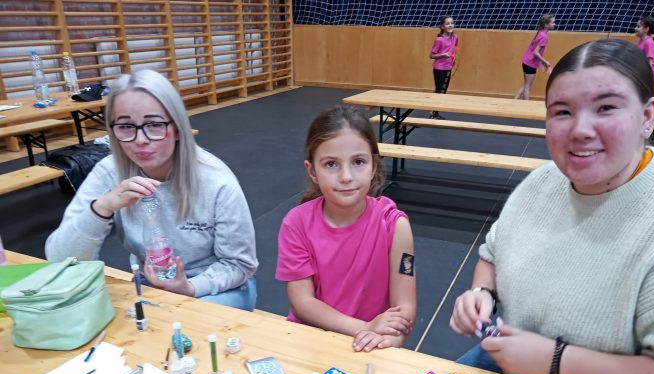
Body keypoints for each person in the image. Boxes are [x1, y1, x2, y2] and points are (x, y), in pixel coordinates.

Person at [450, 39, 654, 374]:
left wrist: (556, 360)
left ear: (648, 116)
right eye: (562, 112)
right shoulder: (543, 182)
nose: (581, 130)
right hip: (513, 369)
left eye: (606, 108)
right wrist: (482, 293)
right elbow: (492, 255)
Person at [46, 69, 258, 310]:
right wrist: (102, 207)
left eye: (155, 125)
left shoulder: (216, 181)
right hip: (152, 282)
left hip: (218, 286)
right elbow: (60, 260)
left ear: (177, 128)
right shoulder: (109, 172)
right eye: (126, 126)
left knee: (180, 322)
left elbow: (239, 265)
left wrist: (190, 288)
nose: (140, 140)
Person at [276, 105, 416, 351]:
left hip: (370, 344)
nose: (346, 176)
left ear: (374, 165)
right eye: (331, 164)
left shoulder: (395, 226)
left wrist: (388, 339)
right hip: (313, 340)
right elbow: (303, 302)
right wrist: (365, 327)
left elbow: (405, 307)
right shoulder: (296, 223)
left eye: (358, 162)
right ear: (312, 171)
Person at [515, 13, 555, 100]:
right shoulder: (544, 37)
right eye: (552, 22)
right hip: (530, 63)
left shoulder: (540, 32)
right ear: (546, 25)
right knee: (528, 87)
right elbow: (536, 53)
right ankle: (526, 105)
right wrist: (545, 62)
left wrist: (543, 62)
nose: (554, 24)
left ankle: (515, 101)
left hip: (526, 61)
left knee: (526, 84)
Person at [428, 15, 459, 119]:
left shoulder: (455, 37)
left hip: (448, 68)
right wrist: (442, 55)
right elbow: (431, 55)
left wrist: (454, 56)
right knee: (439, 90)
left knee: (443, 91)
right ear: (442, 27)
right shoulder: (439, 40)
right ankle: (433, 113)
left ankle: (435, 112)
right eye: (447, 23)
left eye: (452, 23)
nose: (450, 25)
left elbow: (455, 48)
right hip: (439, 69)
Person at [635, 16, 654, 82]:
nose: (635, 28)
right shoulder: (642, 40)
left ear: (646, 29)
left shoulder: (649, 43)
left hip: (647, 78)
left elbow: (649, 64)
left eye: (638, 27)